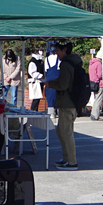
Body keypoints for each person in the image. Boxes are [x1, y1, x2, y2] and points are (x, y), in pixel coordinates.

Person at [50, 41, 80, 170]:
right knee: (61, 131)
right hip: (71, 103)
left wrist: (50, 84)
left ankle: (72, 162)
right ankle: (66, 159)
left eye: (57, 50)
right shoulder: (75, 62)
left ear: (64, 50)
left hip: (67, 104)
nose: (56, 53)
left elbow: (63, 85)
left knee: (66, 133)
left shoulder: (66, 64)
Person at [43, 41, 60, 120]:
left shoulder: (46, 59)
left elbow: (46, 70)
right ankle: (59, 112)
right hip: (57, 80)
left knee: (50, 98)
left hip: (49, 81)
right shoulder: (58, 58)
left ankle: (51, 113)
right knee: (58, 97)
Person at [88, 55, 103, 121]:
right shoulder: (98, 64)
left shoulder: (91, 63)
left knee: (96, 99)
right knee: (99, 99)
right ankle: (95, 115)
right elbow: (100, 74)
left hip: (93, 83)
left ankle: (93, 114)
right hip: (99, 84)